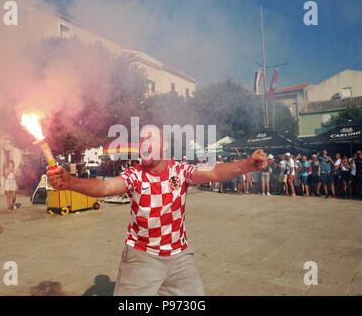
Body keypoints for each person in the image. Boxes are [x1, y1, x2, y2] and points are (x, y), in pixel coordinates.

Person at [47, 126, 267, 296]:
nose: (143, 143)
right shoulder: (134, 175)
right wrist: (71, 182)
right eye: (141, 140)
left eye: (149, 139)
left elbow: (214, 173)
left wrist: (247, 165)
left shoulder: (180, 170)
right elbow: (105, 187)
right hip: (142, 257)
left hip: (180, 258)